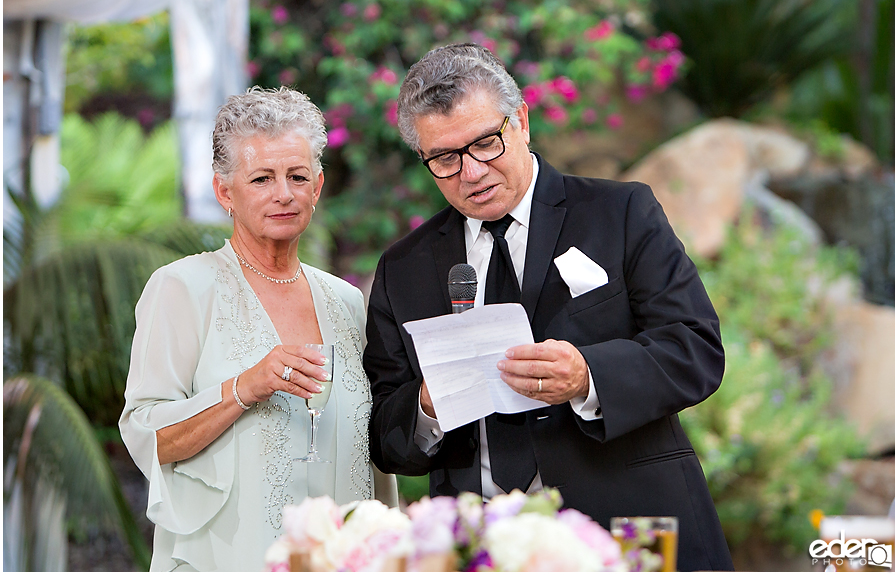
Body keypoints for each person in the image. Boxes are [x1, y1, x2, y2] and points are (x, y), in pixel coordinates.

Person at [364, 44, 733, 571]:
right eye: (445, 159)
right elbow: (386, 436)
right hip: (479, 544)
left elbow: (696, 349)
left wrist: (588, 377)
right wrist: (426, 407)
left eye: (486, 144)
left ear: (521, 123)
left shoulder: (621, 212)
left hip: (629, 523)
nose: (470, 172)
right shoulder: (405, 267)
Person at [120, 87, 397, 572]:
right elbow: (147, 437)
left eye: (297, 176)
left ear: (318, 186)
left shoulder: (347, 301)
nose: (284, 194)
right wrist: (244, 387)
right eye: (262, 178)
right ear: (224, 191)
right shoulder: (182, 287)